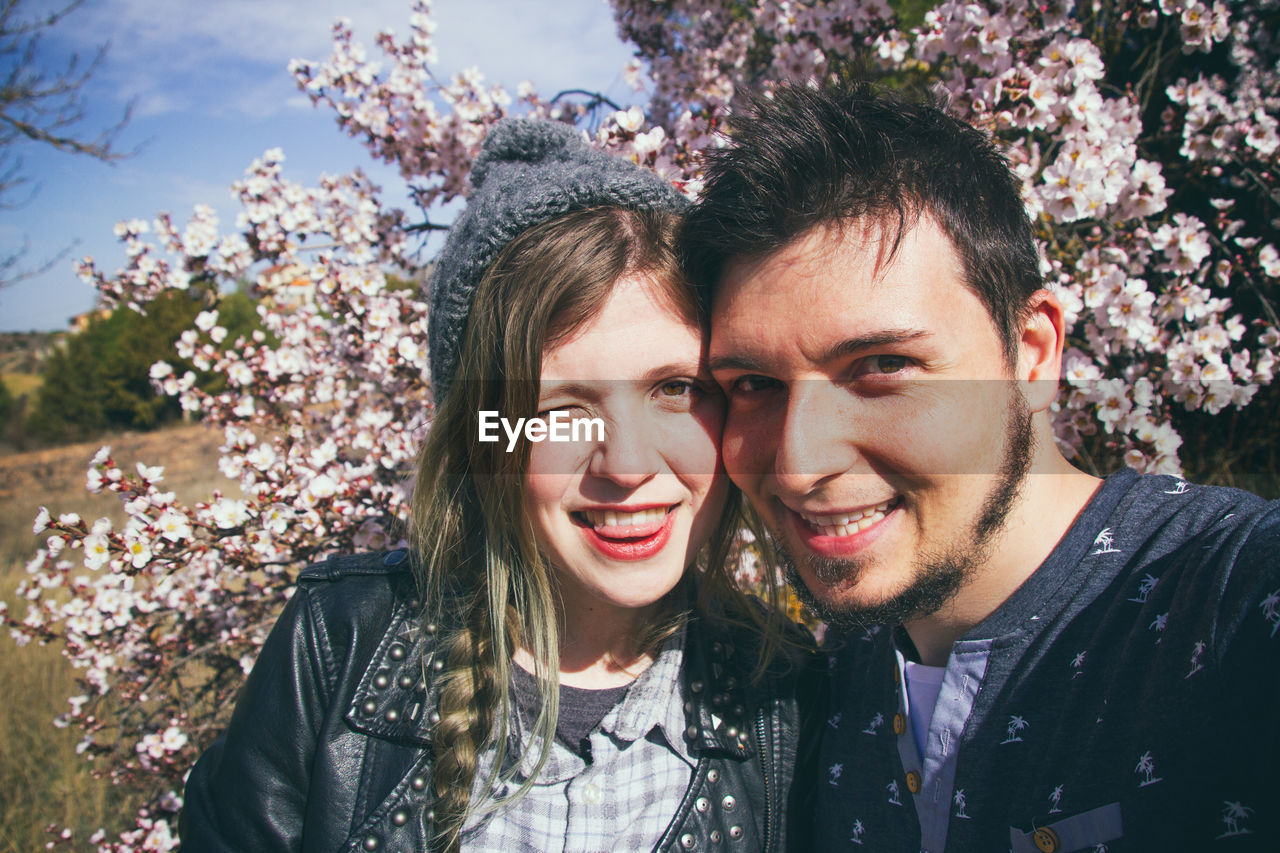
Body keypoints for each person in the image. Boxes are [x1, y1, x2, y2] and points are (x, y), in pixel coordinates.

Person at [181, 118, 818, 852]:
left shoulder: (791, 703)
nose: (627, 464)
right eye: (559, 410)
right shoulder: (338, 645)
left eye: (676, 388)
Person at [680, 81, 1280, 852]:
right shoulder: (823, 695)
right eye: (753, 385)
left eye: (882, 364)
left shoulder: (1230, 609)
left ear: (1031, 354)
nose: (799, 465)